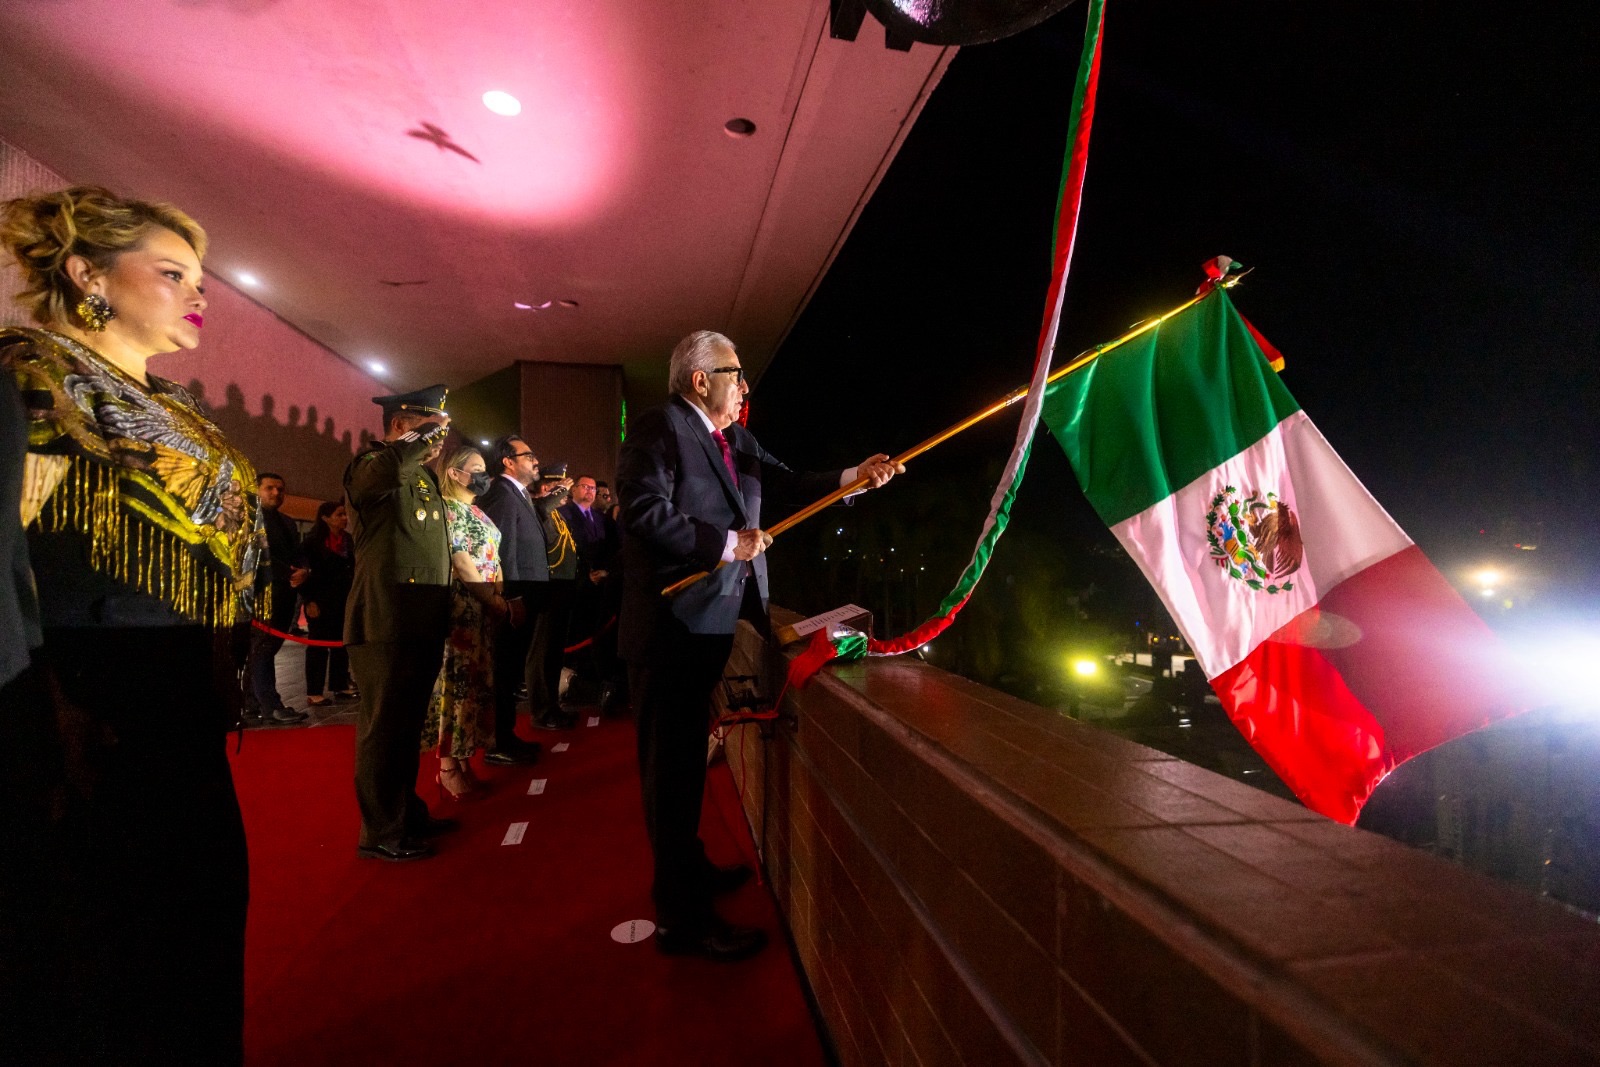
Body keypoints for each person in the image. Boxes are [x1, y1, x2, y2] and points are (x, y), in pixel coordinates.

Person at [0, 185, 260, 1062]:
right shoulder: (32, 377)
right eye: (173, 272)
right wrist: (36, 713)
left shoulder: (175, 404)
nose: (199, 293)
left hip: (181, 686)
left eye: (201, 278)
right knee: (111, 950)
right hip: (86, 698)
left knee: (204, 920)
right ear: (88, 275)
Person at [617, 329, 901, 962]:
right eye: (735, 373)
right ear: (700, 380)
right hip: (669, 629)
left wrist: (856, 477)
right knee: (669, 775)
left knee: (685, 767)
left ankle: (688, 869)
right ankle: (680, 920)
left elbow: (792, 484)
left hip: (710, 626)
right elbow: (641, 510)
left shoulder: (736, 441)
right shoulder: (661, 428)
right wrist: (726, 545)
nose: (745, 385)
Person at [344, 383, 459, 862]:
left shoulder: (423, 476)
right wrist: (423, 438)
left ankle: (406, 813)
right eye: (432, 429)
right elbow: (389, 469)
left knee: (408, 726)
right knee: (384, 727)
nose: (440, 441)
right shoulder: (371, 464)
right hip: (385, 617)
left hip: (420, 617)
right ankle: (380, 830)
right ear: (400, 425)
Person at [423, 446, 517, 799]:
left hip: (484, 608)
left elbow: (494, 555)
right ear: (454, 472)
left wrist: (499, 595)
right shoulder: (447, 509)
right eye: (475, 468)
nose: (484, 474)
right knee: (456, 684)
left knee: (475, 685)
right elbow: (461, 561)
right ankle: (447, 766)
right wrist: (492, 599)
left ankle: (463, 759)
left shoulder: (477, 510)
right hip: (462, 608)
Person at [477, 434, 552, 762]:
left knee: (511, 671)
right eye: (528, 455)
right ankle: (499, 743)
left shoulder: (516, 493)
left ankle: (506, 737)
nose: (536, 461)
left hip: (526, 595)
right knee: (504, 671)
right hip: (514, 598)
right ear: (508, 461)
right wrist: (511, 597)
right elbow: (501, 548)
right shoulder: (502, 494)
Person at [246, 470, 310, 724]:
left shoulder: (287, 522)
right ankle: (270, 705)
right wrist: (289, 573)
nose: (276, 493)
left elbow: (298, 553)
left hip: (284, 596)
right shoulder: (248, 520)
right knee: (261, 650)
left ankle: (253, 704)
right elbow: (253, 558)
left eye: (280, 489)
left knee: (266, 650)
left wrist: (304, 571)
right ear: (256, 490)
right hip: (260, 596)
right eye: (269, 488)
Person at [560, 474, 624, 710]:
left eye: (593, 488)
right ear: (574, 490)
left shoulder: (600, 518)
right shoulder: (563, 515)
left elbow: (611, 548)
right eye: (585, 487)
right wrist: (584, 576)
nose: (589, 491)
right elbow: (565, 551)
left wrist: (607, 571)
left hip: (601, 585)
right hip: (576, 584)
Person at [300, 499, 355, 707]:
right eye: (339, 514)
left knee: (341, 643)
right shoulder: (312, 542)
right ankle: (314, 691)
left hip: (344, 599)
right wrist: (309, 600)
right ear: (325, 518)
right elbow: (303, 573)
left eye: (344, 514)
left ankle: (339, 684)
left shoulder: (348, 540)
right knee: (318, 645)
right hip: (320, 600)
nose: (344, 518)